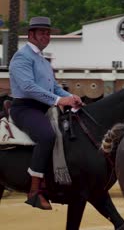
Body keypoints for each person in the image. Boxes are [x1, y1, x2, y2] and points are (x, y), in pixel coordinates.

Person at [9, 16, 83, 210]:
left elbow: (55, 87)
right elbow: (28, 87)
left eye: (48, 33)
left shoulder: (42, 59)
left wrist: (71, 96)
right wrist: (59, 101)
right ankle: (34, 191)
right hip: (25, 108)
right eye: (42, 32)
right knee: (47, 136)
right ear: (31, 34)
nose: (46, 36)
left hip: (43, 108)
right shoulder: (21, 57)